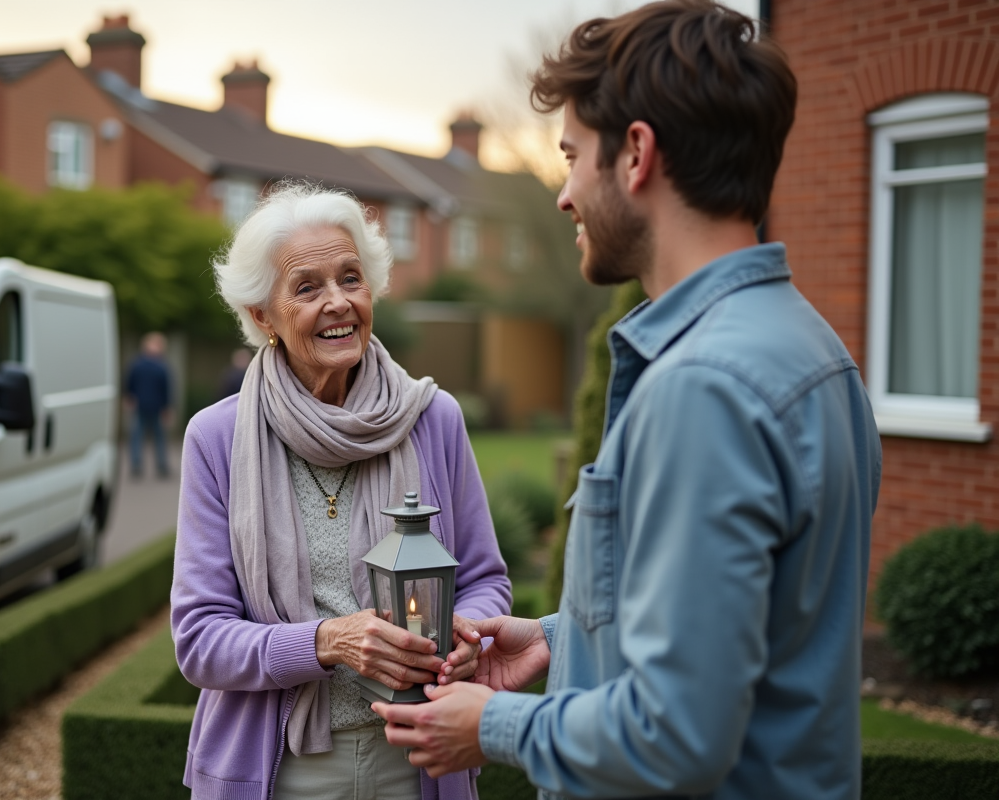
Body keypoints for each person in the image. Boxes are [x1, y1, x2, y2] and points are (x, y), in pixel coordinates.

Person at [373, 3, 883, 799]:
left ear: (637, 154)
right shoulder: (814, 350)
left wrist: (493, 724)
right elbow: (742, 630)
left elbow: (677, 731)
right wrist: (561, 638)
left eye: (573, 156)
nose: (564, 195)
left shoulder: (703, 387)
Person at [171, 184, 511, 800]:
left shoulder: (433, 419)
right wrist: (327, 642)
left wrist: (466, 634)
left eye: (351, 278)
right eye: (307, 288)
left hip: (419, 760)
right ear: (262, 315)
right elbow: (200, 640)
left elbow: (486, 581)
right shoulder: (216, 438)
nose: (338, 302)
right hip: (281, 770)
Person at [125, 331, 173, 479]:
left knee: (139, 436)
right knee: (157, 437)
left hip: (144, 405)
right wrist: (167, 407)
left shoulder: (137, 364)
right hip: (154, 406)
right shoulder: (161, 366)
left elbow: (129, 385)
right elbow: (166, 389)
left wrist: (129, 399)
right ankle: (160, 466)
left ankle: (138, 465)